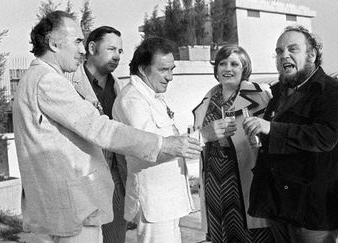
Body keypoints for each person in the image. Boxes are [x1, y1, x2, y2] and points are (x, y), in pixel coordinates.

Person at [13, 11, 201, 242]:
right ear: (53, 43)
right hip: (72, 212)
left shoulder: (35, 78)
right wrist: (163, 144)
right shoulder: (47, 80)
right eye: (78, 41)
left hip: (64, 208)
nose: (82, 50)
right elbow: (99, 128)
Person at [244, 25, 338, 243]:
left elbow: (325, 137)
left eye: (293, 49)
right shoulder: (277, 92)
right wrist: (260, 136)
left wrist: (271, 129)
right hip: (279, 205)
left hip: (312, 210)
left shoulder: (332, 92)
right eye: (279, 51)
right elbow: (280, 139)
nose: (284, 55)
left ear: (311, 55)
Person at [112, 37, 194, 243]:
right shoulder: (133, 100)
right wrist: (205, 136)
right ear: (142, 68)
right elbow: (147, 148)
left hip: (166, 201)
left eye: (172, 69)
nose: (170, 77)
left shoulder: (151, 96)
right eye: (164, 70)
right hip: (154, 202)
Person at [192, 44, 274, 243]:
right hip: (214, 181)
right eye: (222, 63)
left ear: (244, 69)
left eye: (235, 64)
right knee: (221, 235)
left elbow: (273, 133)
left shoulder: (261, 95)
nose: (228, 68)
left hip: (246, 181)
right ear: (216, 69)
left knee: (252, 236)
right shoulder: (208, 99)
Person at [70, 26, 128, 243]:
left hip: (116, 179)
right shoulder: (69, 83)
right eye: (111, 49)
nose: (117, 56)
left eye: (120, 51)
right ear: (92, 48)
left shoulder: (119, 87)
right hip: (83, 179)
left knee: (115, 238)